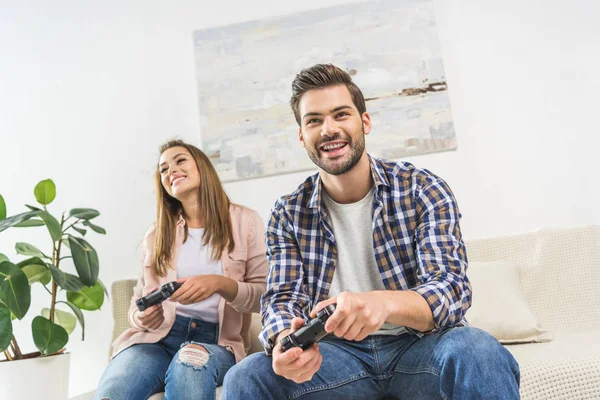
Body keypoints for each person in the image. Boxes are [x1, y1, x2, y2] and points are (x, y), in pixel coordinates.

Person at [222, 64, 520, 399]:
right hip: (335, 360)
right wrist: (282, 343)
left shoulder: (422, 188)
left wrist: (383, 303)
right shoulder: (288, 213)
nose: (328, 129)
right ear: (302, 136)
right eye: (314, 120)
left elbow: (451, 291)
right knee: (245, 376)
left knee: (478, 348)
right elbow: (282, 298)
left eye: (341, 114)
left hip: (419, 349)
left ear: (365, 121)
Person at [95, 139, 268, 400]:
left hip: (215, 342)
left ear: (202, 166)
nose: (170, 170)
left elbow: (264, 297)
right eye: (163, 169)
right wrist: (139, 318)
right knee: (114, 391)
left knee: (190, 362)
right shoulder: (157, 234)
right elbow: (136, 303)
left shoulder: (246, 222)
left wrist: (220, 284)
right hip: (156, 340)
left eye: (179, 160)